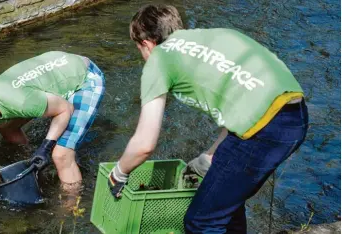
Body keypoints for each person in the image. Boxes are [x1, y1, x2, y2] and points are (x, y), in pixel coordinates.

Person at [108, 4, 308, 233]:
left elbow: (144, 144)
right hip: (294, 113)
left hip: (264, 130)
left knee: (201, 222)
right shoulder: (210, 36)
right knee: (227, 207)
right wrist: (210, 156)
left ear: (147, 44)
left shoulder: (159, 59)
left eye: (140, 50)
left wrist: (119, 173)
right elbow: (241, 102)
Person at [0, 51, 105, 194]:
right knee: (5, 127)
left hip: (84, 78)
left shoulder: (18, 101)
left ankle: (72, 210)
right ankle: (30, 158)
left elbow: (65, 109)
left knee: (61, 155)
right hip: (56, 76)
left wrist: (45, 147)